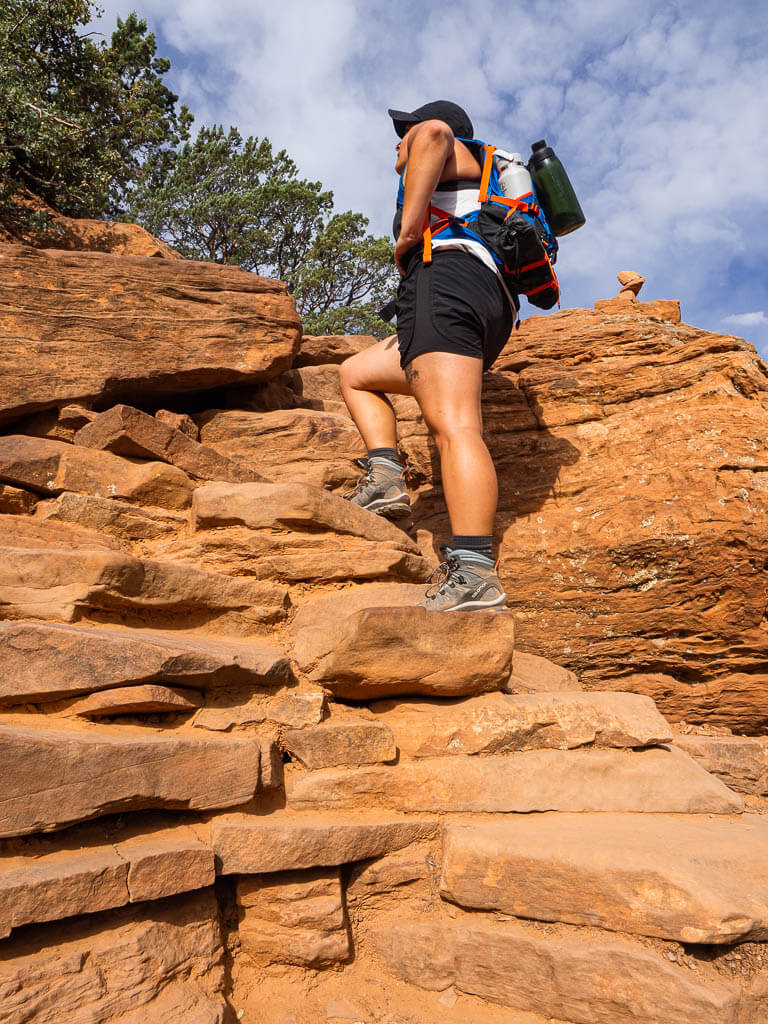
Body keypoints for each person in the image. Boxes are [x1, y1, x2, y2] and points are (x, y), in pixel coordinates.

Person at [339, 100, 515, 612]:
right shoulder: (490, 178)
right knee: (355, 373)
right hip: (488, 303)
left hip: (447, 282)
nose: (400, 141)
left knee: (456, 425)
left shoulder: (438, 141)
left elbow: (434, 132)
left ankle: (477, 572)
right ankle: (385, 477)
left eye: (402, 131)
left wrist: (408, 235)